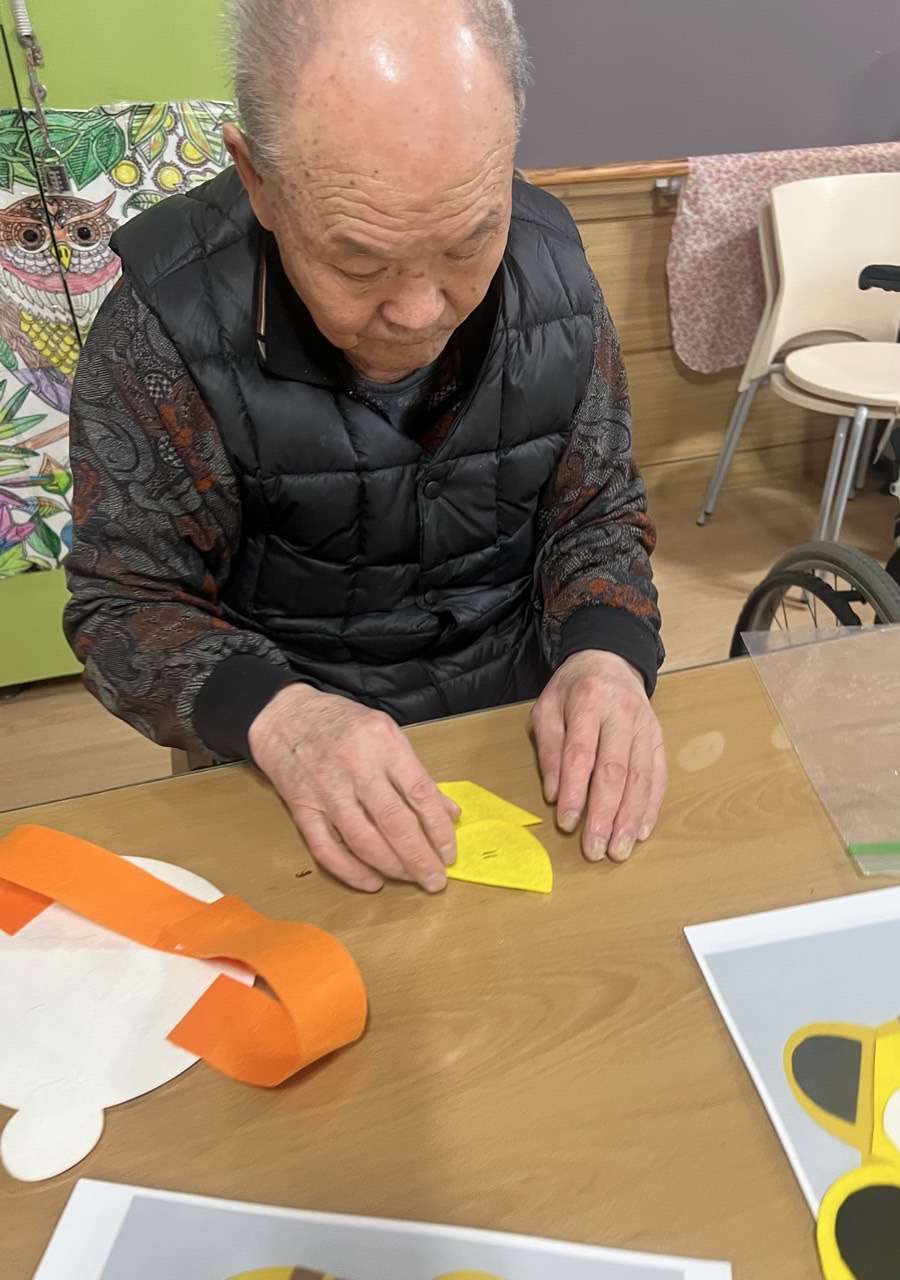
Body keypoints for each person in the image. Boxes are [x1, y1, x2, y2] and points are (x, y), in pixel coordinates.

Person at [64, 0, 666, 895]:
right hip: (286, 770)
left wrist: (606, 652)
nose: (420, 312)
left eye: (470, 242)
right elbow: (125, 602)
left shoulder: (555, 272)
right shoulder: (167, 326)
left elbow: (596, 512)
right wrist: (279, 718)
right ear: (258, 180)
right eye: (358, 263)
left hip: (523, 741)